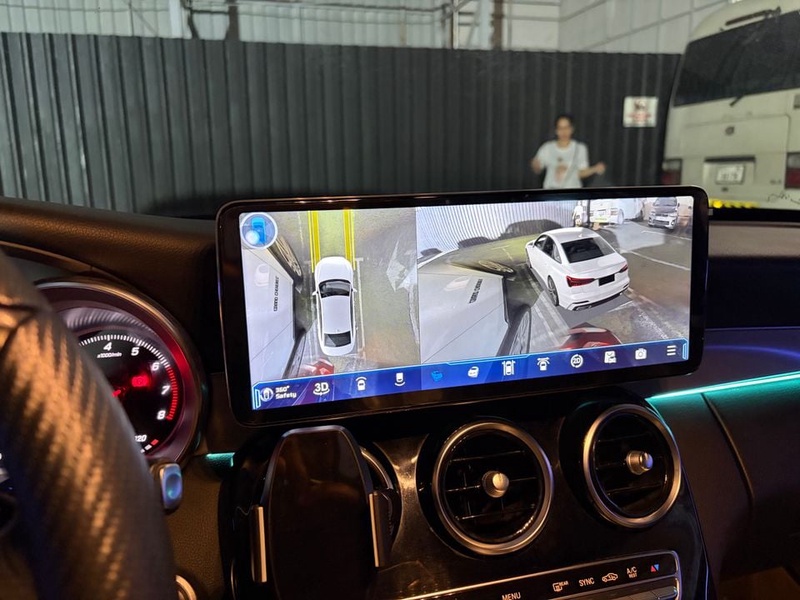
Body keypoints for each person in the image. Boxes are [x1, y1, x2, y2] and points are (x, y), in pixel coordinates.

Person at [531, 114, 606, 189]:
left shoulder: (580, 148)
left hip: (572, 191)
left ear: (572, 129)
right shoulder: (547, 147)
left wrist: (595, 169)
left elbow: (581, 172)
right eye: (560, 128)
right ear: (556, 130)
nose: (563, 131)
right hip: (551, 190)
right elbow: (538, 169)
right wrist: (535, 165)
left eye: (566, 128)